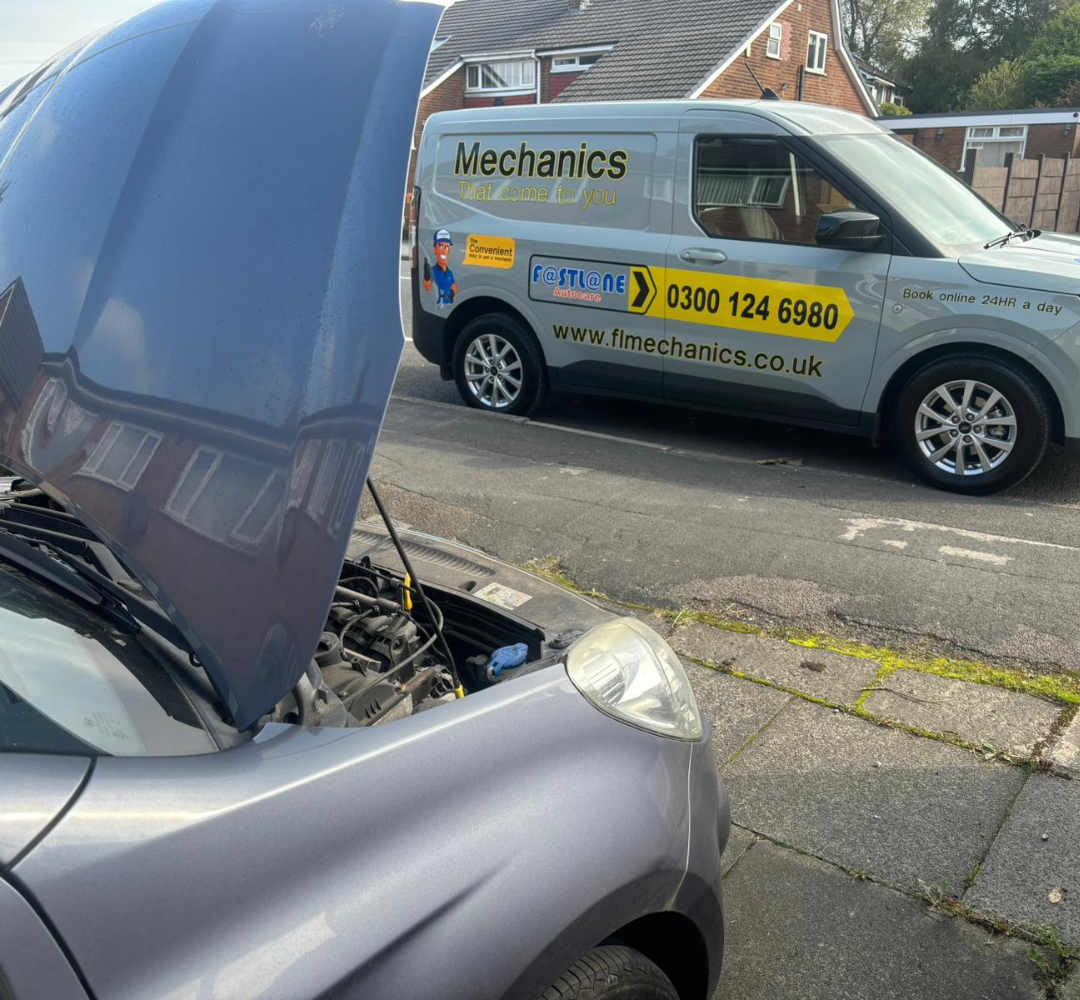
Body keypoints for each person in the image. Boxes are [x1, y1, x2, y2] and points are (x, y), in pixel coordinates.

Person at [423, 229, 457, 307]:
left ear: (449, 251)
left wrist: (452, 292)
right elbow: (427, 287)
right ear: (435, 249)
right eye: (440, 246)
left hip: (450, 305)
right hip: (440, 305)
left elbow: (454, 285)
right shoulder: (433, 270)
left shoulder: (450, 273)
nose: (444, 251)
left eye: (447, 247)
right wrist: (426, 276)